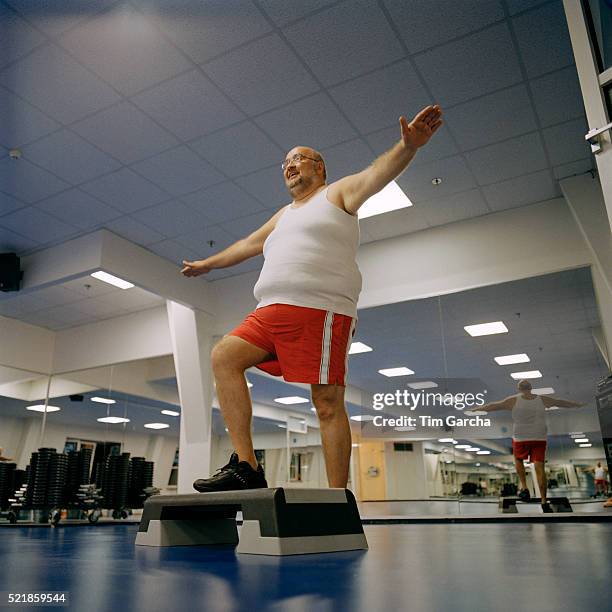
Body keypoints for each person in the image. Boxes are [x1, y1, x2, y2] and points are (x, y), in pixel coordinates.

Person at [181, 105, 443, 492]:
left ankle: (339, 497)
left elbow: (376, 175)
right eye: (285, 162)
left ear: (319, 168)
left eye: (299, 159)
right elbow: (249, 244)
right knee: (223, 355)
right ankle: (247, 467)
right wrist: (209, 264)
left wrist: (408, 147)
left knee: (326, 401)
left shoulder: (336, 193)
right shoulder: (283, 214)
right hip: (269, 310)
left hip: (320, 309)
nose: (289, 165)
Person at [478, 379, 585, 512]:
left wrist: (477, 409)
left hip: (521, 437)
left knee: (518, 459)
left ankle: (524, 487)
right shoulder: (542, 399)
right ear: (531, 388)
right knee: (540, 468)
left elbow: (494, 406)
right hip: (539, 437)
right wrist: (577, 404)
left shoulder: (513, 400)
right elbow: (560, 402)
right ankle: (544, 501)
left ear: (519, 389)